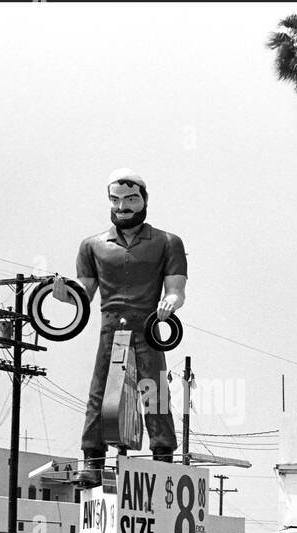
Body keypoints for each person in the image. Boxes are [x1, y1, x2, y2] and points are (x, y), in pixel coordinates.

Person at [64, 168, 187, 487]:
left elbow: (176, 289)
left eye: (130, 199)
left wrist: (171, 301)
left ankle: (163, 456)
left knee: (155, 389)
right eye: (116, 200)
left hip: (148, 325)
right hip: (110, 326)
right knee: (100, 391)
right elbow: (84, 294)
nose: (123, 207)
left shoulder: (167, 242)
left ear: (144, 200)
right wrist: (62, 293)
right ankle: (92, 459)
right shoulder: (92, 245)